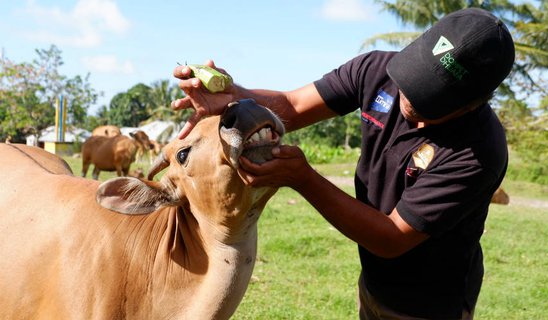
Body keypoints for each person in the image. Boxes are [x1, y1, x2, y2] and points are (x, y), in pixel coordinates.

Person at [171, 7, 514, 319]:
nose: (408, 98)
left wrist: (304, 178)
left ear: (473, 104)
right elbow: (292, 106)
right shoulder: (377, 71)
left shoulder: (479, 151)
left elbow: (391, 238)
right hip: (375, 281)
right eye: (413, 78)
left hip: (430, 304)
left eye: (431, 98)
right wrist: (235, 96)